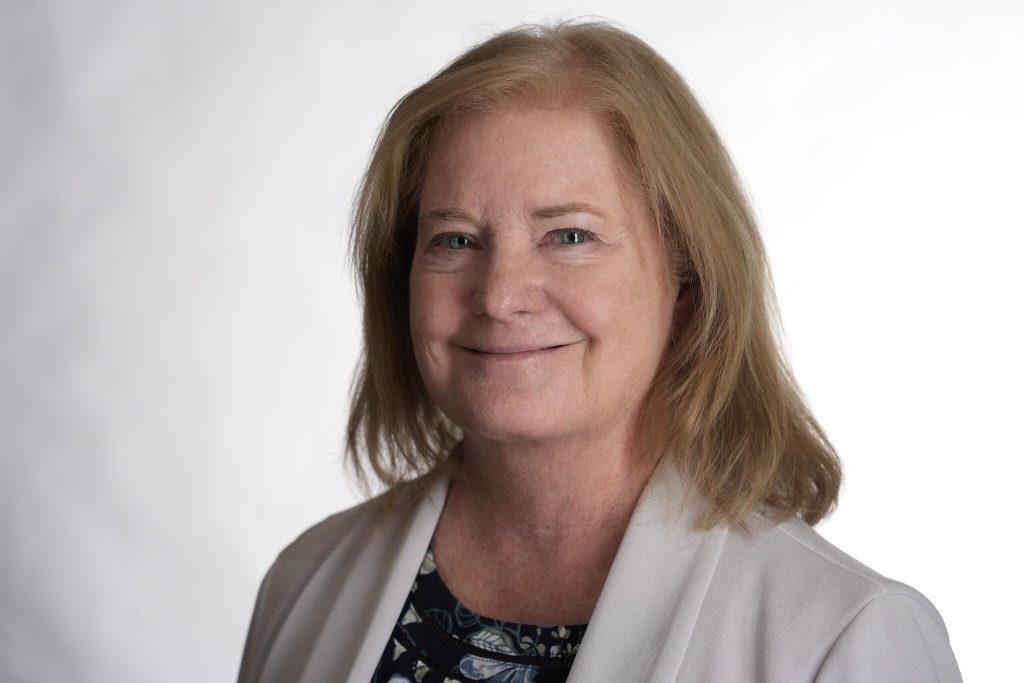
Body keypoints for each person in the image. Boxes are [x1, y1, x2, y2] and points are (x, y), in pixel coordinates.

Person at [238, 20, 961, 682]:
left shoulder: (849, 637)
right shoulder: (304, 583)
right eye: (455, 239)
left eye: (570, 235)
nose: (501, 293)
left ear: (686, 278)